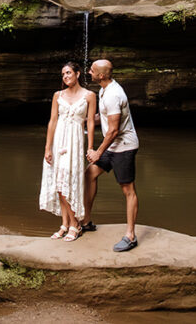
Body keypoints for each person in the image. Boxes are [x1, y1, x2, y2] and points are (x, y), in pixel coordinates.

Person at [81, 59, 140, 252]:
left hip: (123, 146)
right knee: (90, 174)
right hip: (112, 145)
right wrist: (82, 121)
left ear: (102, 75)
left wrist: (98, 152)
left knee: (127, 189)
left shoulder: (114, 94)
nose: (88, 72)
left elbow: (113, 130)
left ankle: (130, 236)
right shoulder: (104, 90)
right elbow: (103, 118)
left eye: (92, 71)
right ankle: (86, 221)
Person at [39, 61, 96, 242]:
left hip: (75, 141)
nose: (65, 77)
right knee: (59, 182)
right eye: (63, 74)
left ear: (78, 74)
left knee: (69, 181)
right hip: (58, 140)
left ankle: (75, 224)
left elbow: (90, 123)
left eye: (69, 73)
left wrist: (90, 147)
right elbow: (52, 121)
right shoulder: (58, 95)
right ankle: (66, 224)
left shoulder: (89, 96)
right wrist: (48, 147)